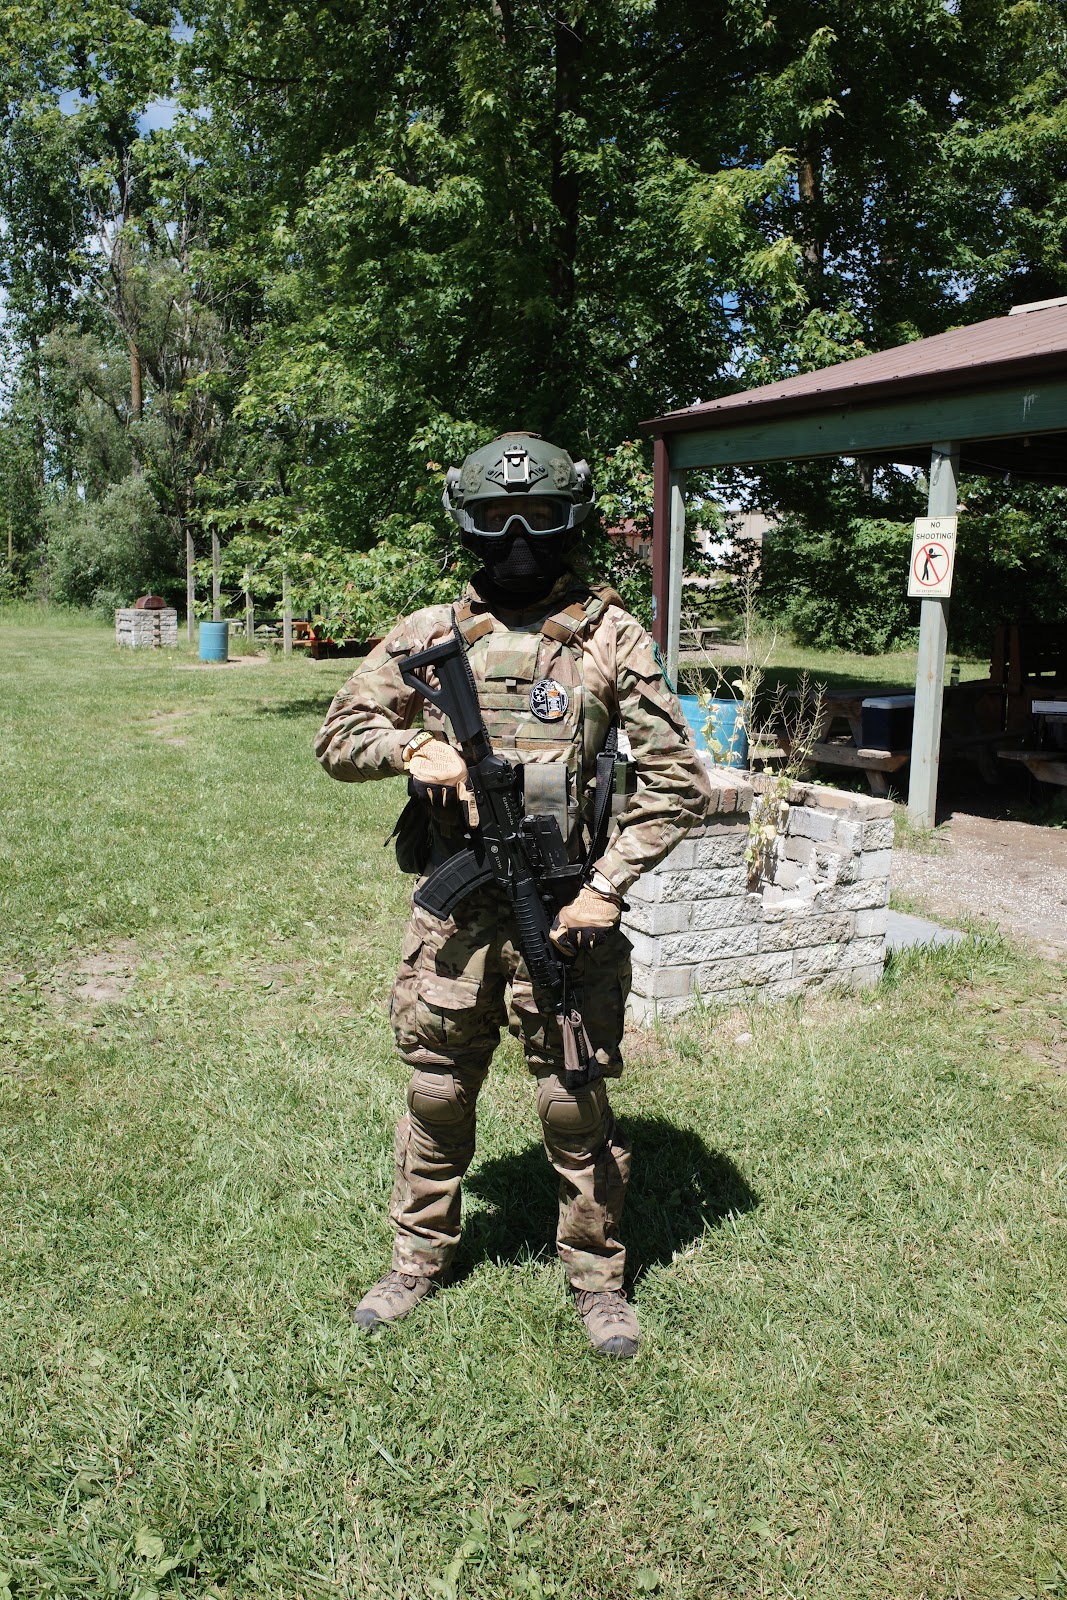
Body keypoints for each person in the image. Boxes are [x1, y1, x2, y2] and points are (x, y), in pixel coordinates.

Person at [314, 431, 714, 1357]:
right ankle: (416, 1260)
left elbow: (677, 784)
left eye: (536, 517)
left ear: (573, 517)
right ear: (469, 524)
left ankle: (598, 1280)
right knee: (437, 1091)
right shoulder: (431, 634)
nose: (520, 537)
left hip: (567, 916)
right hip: (457, 917)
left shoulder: (611, 637)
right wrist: (410, 748)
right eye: (497, 520)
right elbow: (340, 736)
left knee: (573, 1098)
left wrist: (607, 887)